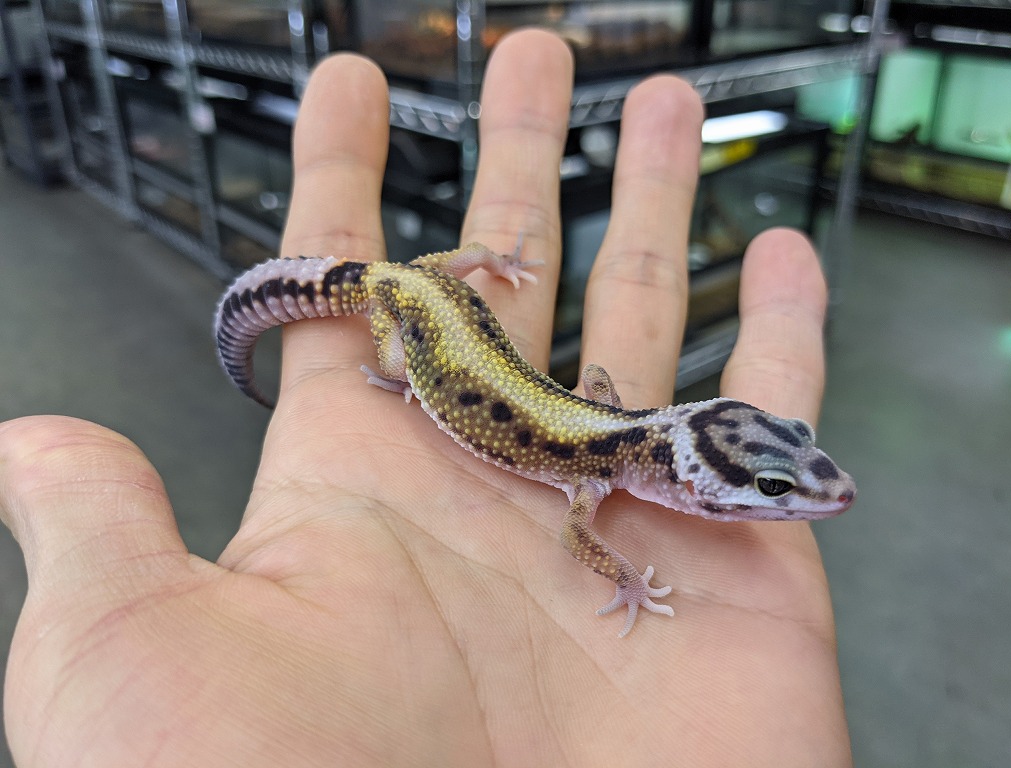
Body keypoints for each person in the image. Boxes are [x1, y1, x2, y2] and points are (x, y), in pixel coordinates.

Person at [0, 29, 851, 767]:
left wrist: (489, 262)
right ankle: (387, 353)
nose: (810, 496)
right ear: (687, 476)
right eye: (772, 488)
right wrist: (627, 579)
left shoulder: (609, 442)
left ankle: (449, 286)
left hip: (435, 285)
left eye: (778, 479)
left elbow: (594, 389)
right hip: (400, 300)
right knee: (400, 366)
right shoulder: (594, 474)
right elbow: (574, 536)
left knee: (423, 298)